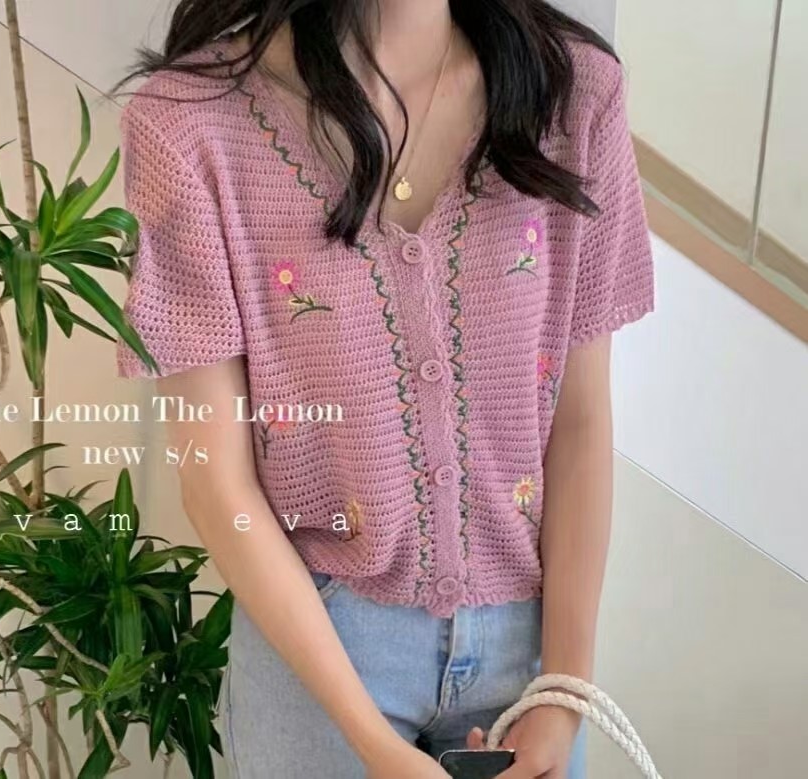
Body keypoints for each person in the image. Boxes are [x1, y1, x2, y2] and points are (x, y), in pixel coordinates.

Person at [115, 1, 655, 777]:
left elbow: (579, 424)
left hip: (529, 655)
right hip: (318, 655)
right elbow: (215, 481)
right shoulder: (190, 124)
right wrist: (369, 742)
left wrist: (562, 691)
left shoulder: (574, 98)